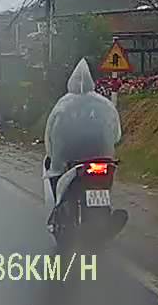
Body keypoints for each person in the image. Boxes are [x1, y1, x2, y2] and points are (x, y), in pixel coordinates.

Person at [42, 59, 121, 214]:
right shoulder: (105, 104)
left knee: (55, 174)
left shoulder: (62, 105)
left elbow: (50, 135)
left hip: (70, 161)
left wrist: (53, 155)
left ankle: (58, 210)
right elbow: (117, 135)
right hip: (103, 159)